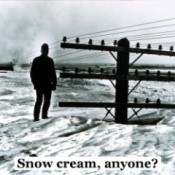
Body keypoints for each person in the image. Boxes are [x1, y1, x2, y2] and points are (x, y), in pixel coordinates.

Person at [30, 43, 57, 121]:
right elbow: (32, 73)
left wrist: (54, 84)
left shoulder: (50, 60)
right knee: (39, 101)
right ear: (41, 50)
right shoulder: (37, 60)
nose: (46, 51)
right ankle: (36, 118)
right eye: (45, 49)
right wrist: (34, 83)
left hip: (47, 84)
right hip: (40, 84)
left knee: (46, 101)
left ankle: (43, 116)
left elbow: (53, 73)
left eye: (47, 49)